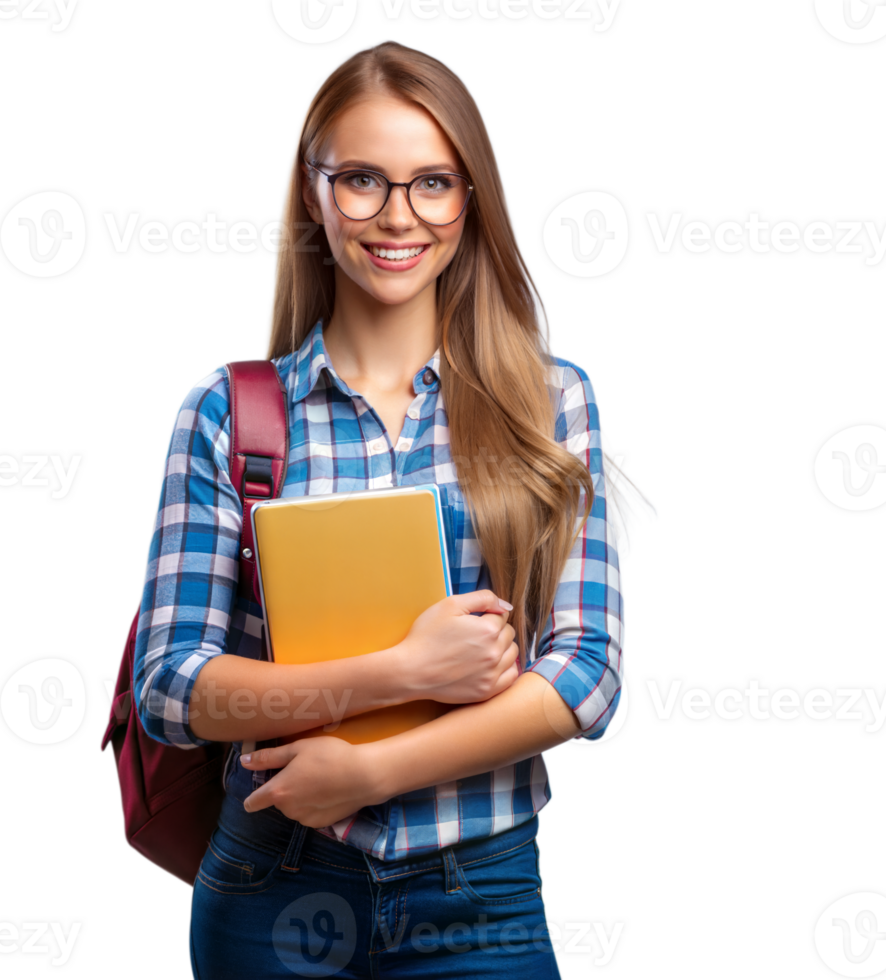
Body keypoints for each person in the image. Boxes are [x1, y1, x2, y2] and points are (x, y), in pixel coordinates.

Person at [133, 38, 659, 980]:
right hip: (270, 887)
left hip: (482, 895)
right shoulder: (228, 409)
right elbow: (172, 689)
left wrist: (372, 772)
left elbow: (585, 677)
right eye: (363, 181)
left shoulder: (554, 400)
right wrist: (397, 672)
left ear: (470, 199)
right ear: (312, 191)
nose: (398, 216)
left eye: (433, 183)